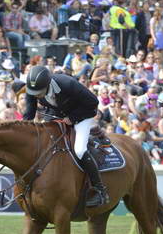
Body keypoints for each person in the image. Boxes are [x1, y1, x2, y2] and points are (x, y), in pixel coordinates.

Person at [23, 65, 109, 207]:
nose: (36, 95)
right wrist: (24, 131)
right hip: (57, 114)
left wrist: (73, 118)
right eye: (34, 92)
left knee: (80, 150)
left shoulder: (68, 84)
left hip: (82, 115)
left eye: (39, 92)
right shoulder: (32, 90)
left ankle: (100, 190)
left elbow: (93, 104)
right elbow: (29, 114)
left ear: (48, 84)